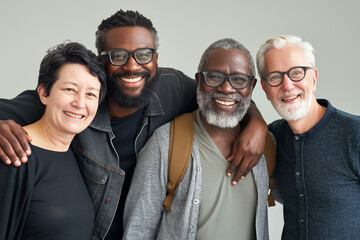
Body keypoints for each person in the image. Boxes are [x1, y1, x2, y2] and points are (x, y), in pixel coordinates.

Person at [0, 10, 267, 239]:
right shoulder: (77, 104)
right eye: (118, 55)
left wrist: (257, 123)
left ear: (156, 60)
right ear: (100, 61)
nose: (132, 66)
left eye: (143, 54)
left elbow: (224, 94)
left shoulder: (174, 88)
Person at [123, 38, 269, 240]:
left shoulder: (264, 147)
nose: (226, 88)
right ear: (199, 81)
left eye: (239, 79)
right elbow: (137, 231)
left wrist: (259, 124)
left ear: (251, 86)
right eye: (214, 77)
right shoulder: (165, 144)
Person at [256, 35, 360, 239]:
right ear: (265, 89)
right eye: (275, 77)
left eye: (296, 73)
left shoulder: (354, 135)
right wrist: (253, 119)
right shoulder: (272, 139)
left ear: (313, 78)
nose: (287, 86)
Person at [0, 42, 106, 239]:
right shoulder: (14, 153)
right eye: (69, 89)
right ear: (44, 94)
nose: (80, 103)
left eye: (91, 94)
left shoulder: (78, 156)